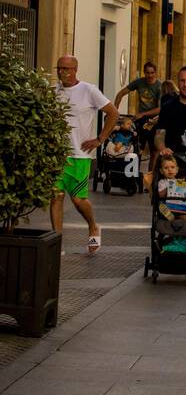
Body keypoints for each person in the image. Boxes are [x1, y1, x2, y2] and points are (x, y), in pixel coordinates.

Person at [53, 56, 118, 253]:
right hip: (57, 154)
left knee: (78, 199)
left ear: (75, 70)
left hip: (80, 155)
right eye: (59, 68)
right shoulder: (53, 91)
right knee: (56, 196)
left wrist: (100, 139)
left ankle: (93, 225)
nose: (62, 72)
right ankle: (56, 243)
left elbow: (113, 113)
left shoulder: (88, 90)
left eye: (66, 68)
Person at [114, 61, 162, 155]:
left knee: (154, 150)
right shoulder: (139, 82)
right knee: (138, 147)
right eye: (147, 72)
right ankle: (136, 167)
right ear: (144, 72)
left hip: (154, 119)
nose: (150, 75)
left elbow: (159, 109)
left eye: (152, 73)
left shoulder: (159, 86)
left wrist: (142, 114)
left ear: (155, 73)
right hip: (141, 119)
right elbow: (121, 93)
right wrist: (115, 111)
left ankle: (151, 169)